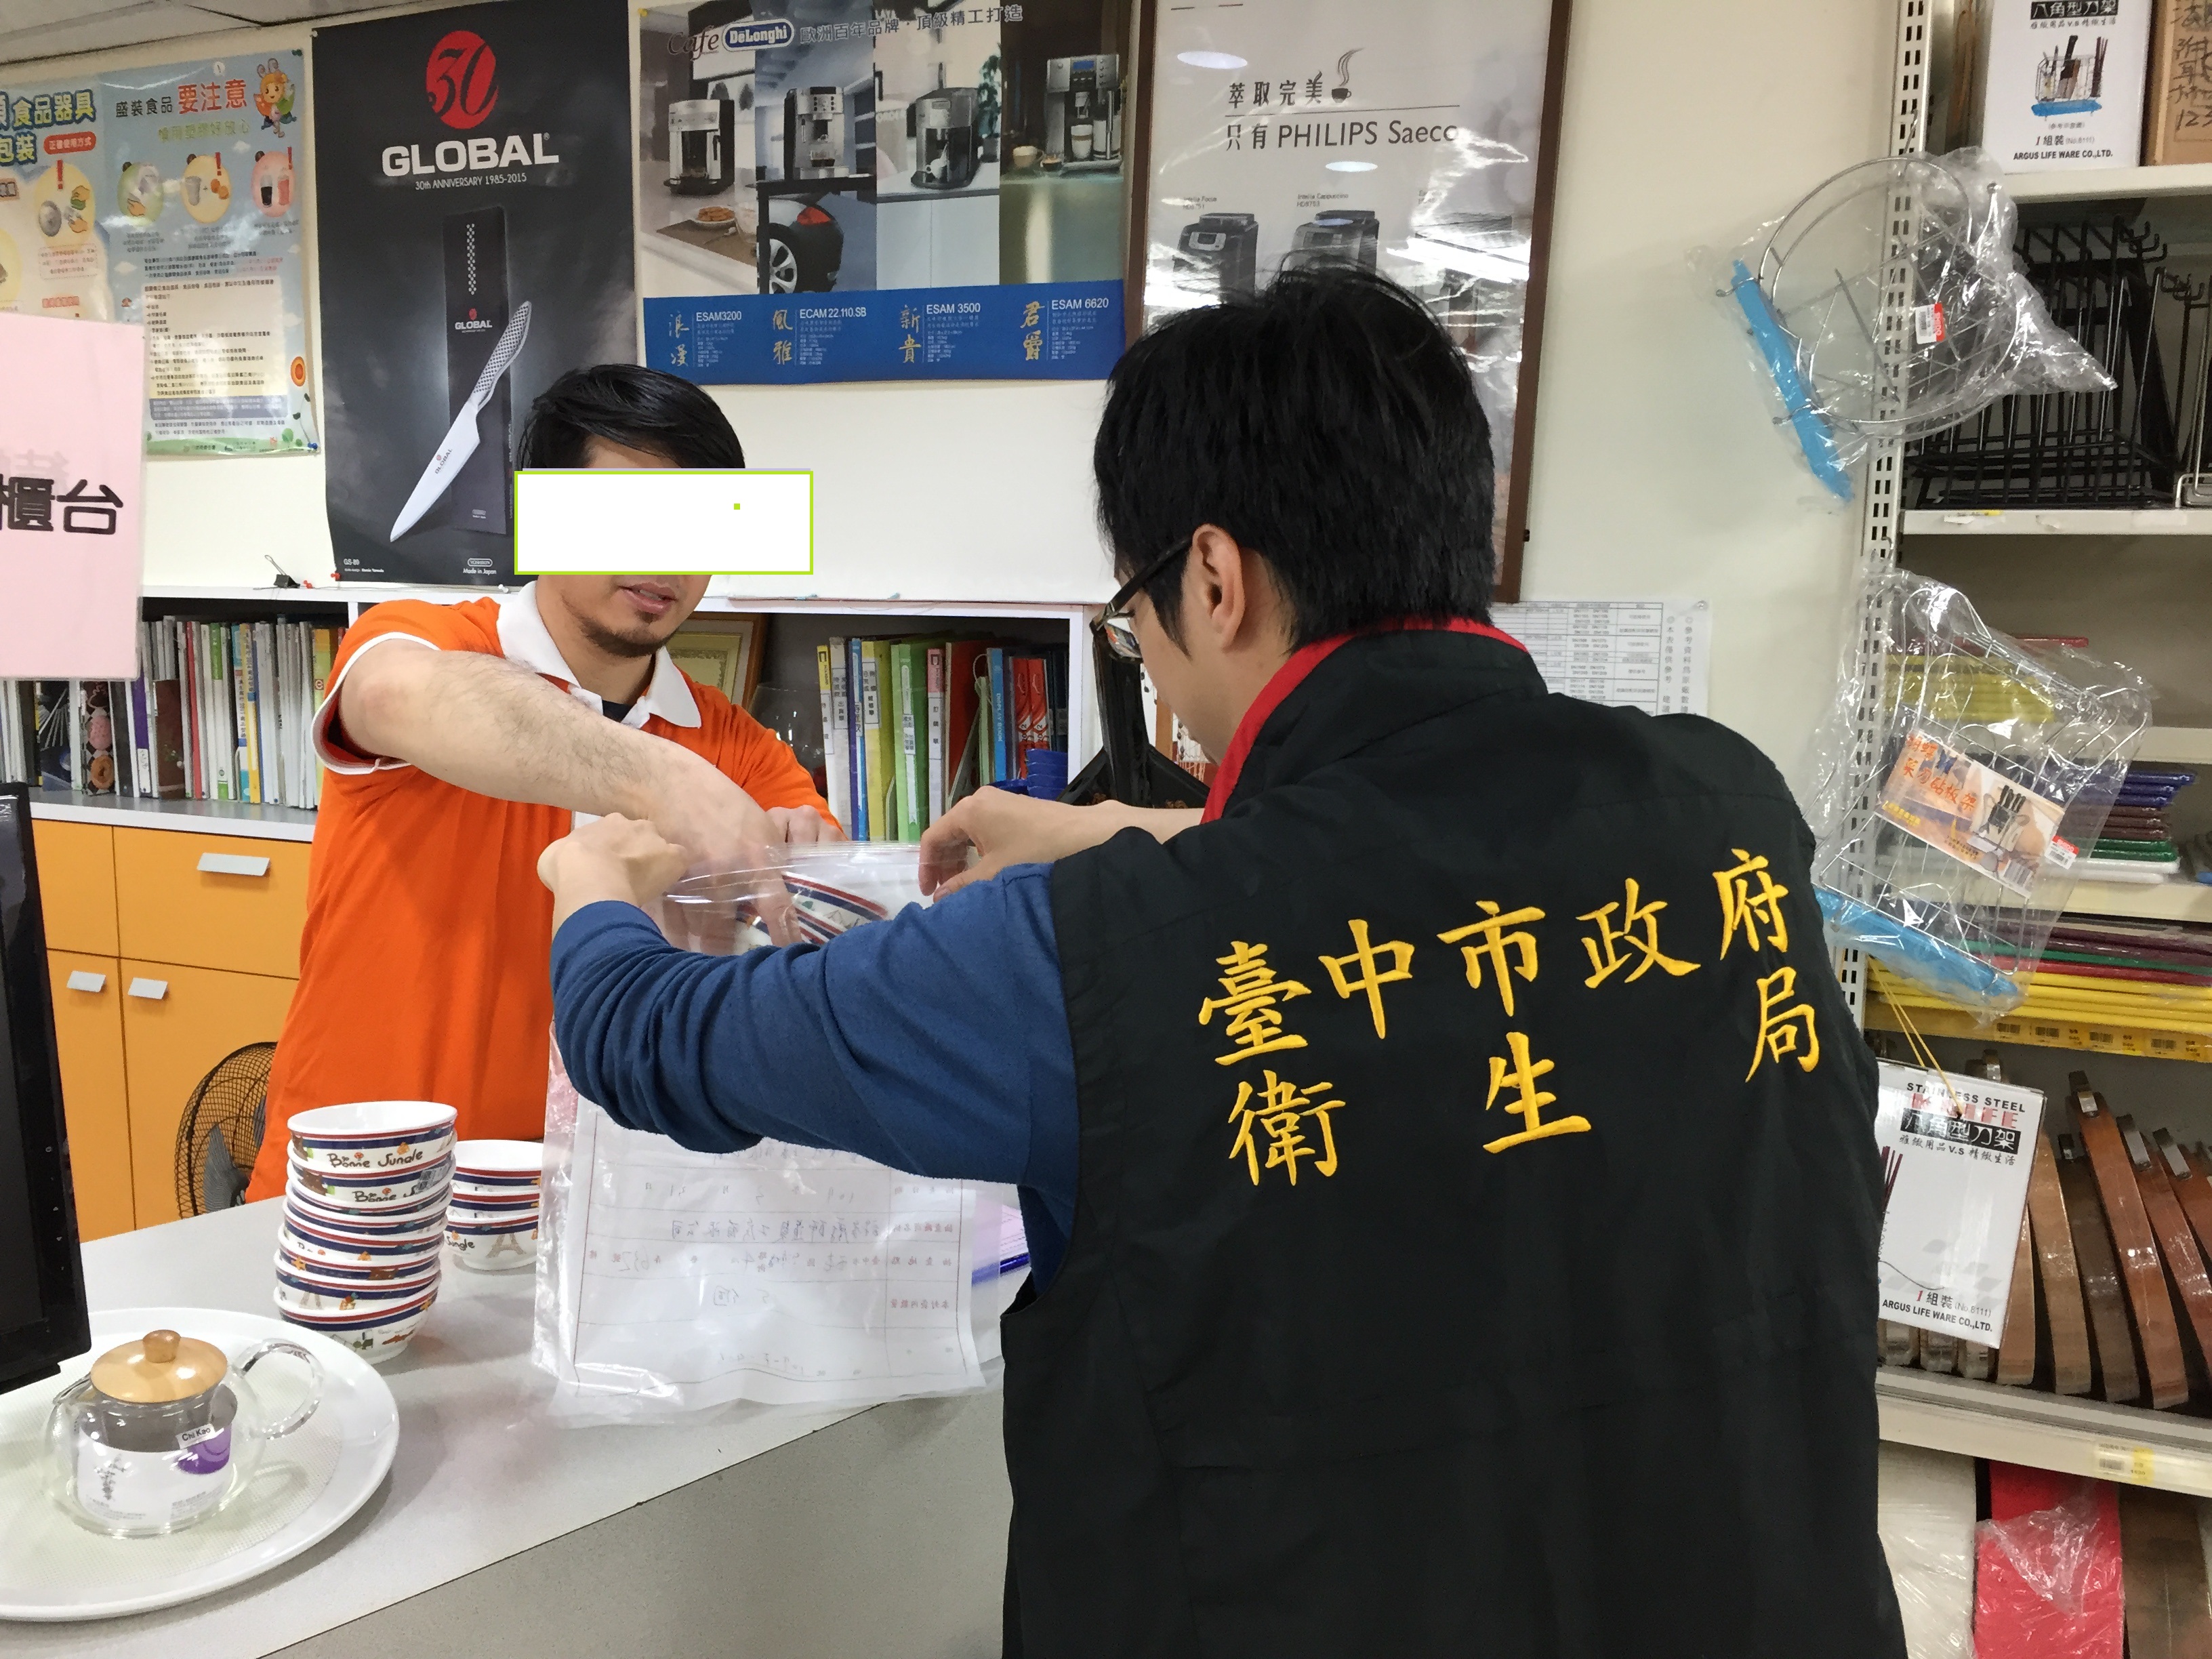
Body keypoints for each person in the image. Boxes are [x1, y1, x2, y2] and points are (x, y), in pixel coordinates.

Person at [537, 272, 1902, 1658]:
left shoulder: (1093, 955)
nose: (1151, 667)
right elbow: (1406, 857)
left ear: (1211, 578)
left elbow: (657, 1036)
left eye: (1133, 623)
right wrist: (1119, 829)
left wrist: (589, 889)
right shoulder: (1725, 809)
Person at [243, 365, 838, 1204]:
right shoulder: (427, 644)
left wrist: (819, 878)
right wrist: (662, 778)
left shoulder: (737, 745)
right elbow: (390, 697)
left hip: (604, 1208)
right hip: (368, 1192)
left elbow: (817, 924)